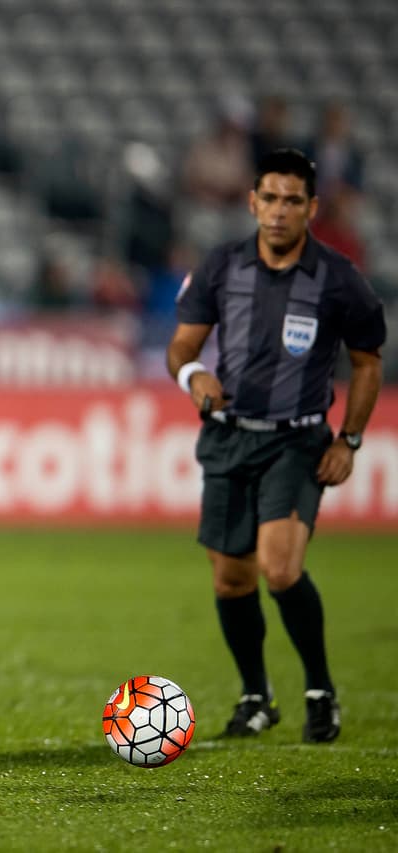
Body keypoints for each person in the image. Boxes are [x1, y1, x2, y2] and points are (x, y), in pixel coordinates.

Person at [168, 148, 385, 744]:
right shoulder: (221, 267)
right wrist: (194, 377)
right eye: (270, 198)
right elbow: (181, 347)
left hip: (297, 441)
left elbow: (368, 363)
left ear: (311, 208)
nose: (279, 211)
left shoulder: (338, 279)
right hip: (229, 437)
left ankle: (320, 690)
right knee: (230, 581)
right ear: (252, 202)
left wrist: (350, 440)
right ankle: (255, 697)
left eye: (293, 201)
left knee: (281, 569)